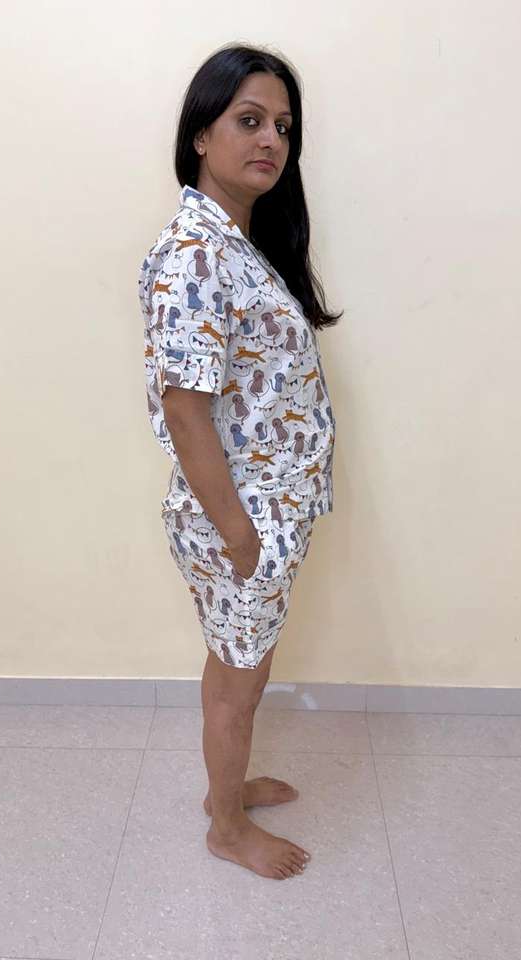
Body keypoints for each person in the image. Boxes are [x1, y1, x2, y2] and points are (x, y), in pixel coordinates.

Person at [137, 43, 342, 881]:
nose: (270, 141)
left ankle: (229, 784)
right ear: (200, 135)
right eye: (248, 120)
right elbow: (185, 407)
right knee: (238, 681)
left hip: (262, 514)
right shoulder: (196, 252)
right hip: (240, 519)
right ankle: (226, 825)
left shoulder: (234, 244)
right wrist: (240, 534)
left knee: (239, 669)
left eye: (283, 127)